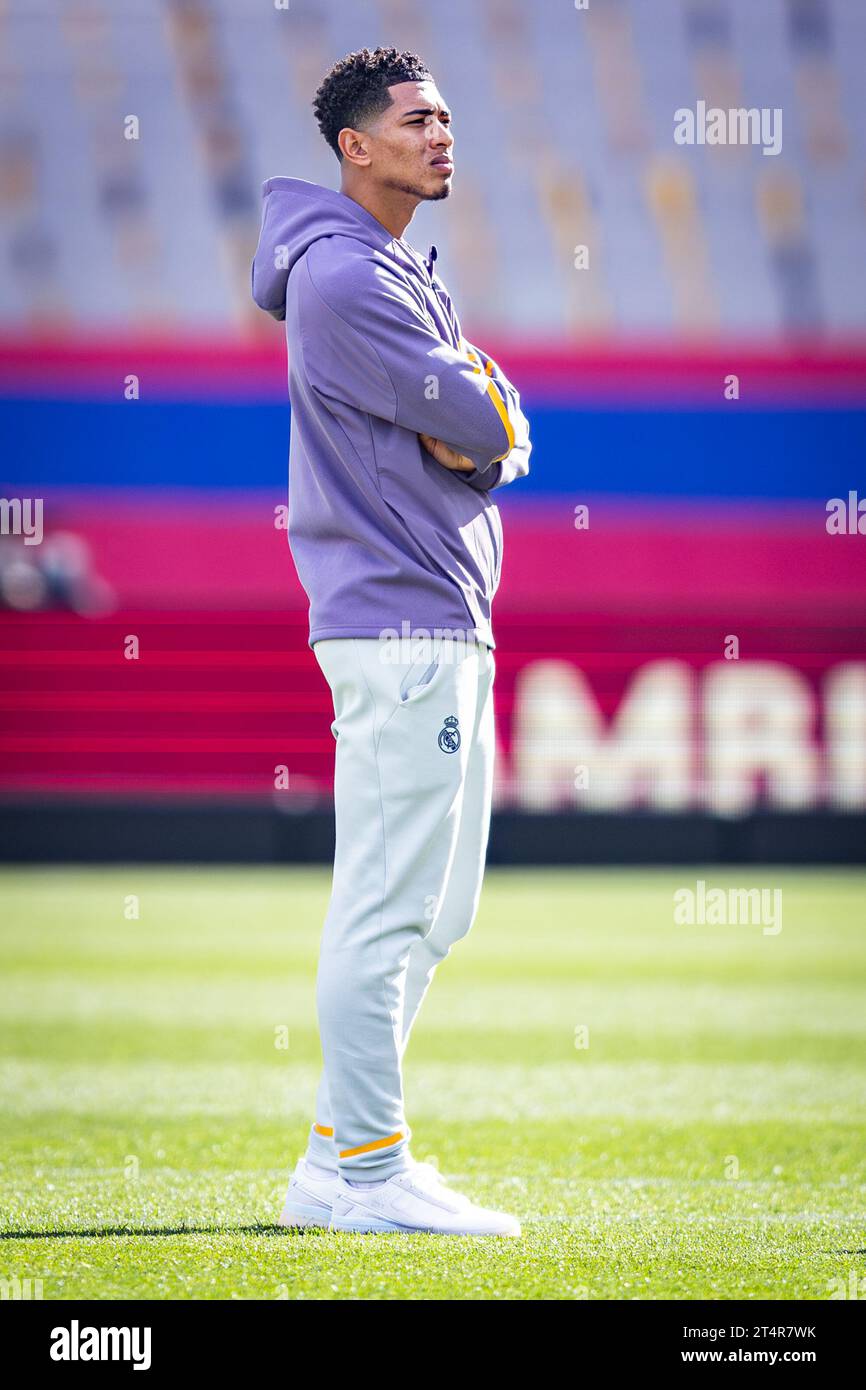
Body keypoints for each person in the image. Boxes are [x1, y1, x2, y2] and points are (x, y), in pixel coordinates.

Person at [252, 46, 531, 1235]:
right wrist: (487, 425)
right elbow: (480, 415)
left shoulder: (388, 267)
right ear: (353, 147)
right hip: (402, 622)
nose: (441, 133)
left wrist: (488, 427)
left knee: (434, 910)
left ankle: (335, 1150)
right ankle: (367, 1171)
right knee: (384, 905)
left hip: (433, 622)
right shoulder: (347, 278)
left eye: (447, 115)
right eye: (417, 119)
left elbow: (495, 432)